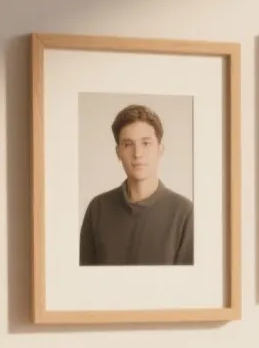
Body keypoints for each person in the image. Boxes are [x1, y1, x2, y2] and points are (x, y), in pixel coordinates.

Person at [78, 104, 194, 266]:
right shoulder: (98, 209)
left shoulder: (185, 213)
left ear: (160, 150)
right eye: (128, 144)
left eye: (146, 143)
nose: (138, 153)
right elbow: (83, 283)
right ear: (118, 152)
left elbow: (190, 287)